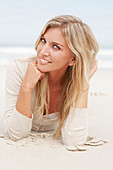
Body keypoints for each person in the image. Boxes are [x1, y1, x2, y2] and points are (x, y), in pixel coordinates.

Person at [4, 15, 99, 146]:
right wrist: (26, 87)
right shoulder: (19, 68)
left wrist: (83, 83)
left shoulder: (74, 81)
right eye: (43, 40)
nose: (43, 51)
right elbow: (15, 134)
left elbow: (74, 140)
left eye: (56, 47)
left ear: (73, 59)